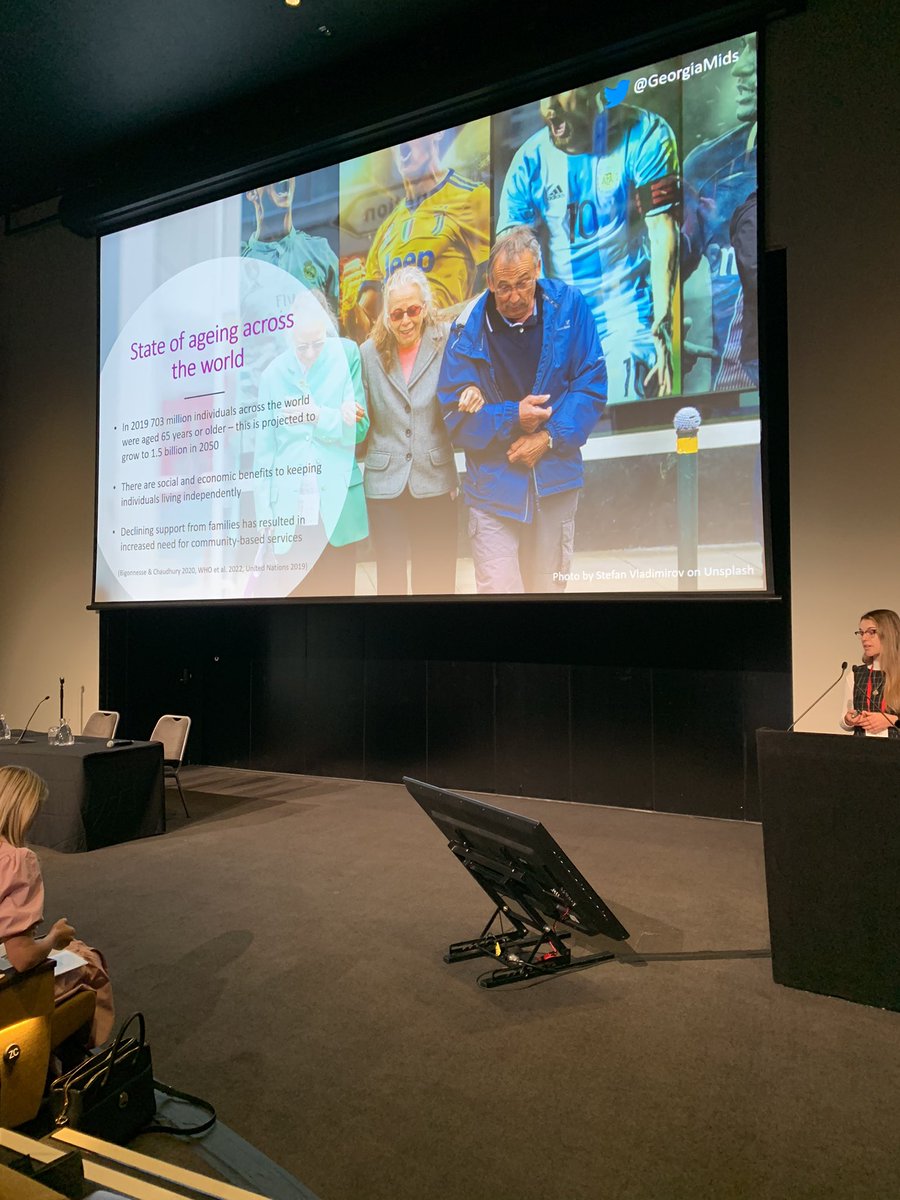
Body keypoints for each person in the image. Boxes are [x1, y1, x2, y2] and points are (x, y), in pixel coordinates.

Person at [437, 225, 607, 593]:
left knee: (548, 598)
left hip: (555, 479)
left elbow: (590, 386)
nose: (514, 297)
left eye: (523, 283)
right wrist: (513, 416)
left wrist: (546, 438)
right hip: (493, 489)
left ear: (539, 271)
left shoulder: (570, 308)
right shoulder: (466, 329)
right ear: (489, 282)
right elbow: (454, 416)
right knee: (501, 597)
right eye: (504, 287)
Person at [497, 86, 678, 402]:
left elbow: (662, 228)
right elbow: (511, 261)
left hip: (629, 316)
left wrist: (663, 320)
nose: (549, 107)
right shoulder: (529, 161)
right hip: (562, 331)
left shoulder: (644, 134)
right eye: (545, 96)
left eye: (560, 93)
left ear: (592, 89)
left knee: (623, 397)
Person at [252, 292, 369, 597]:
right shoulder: (272, 375)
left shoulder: (347, 354)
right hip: (289, 514)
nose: (310, 353)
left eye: (318, 343)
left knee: (342, 607)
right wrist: (265, 517)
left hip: (338, 512)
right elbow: (264, 455)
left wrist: (318, 416)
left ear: (328, 330)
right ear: (289, 338)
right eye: (302, 346)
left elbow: (360, 431)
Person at [359, 267, 458, 594]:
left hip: (434, 477)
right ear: (386, 316)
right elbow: (364, 422)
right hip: (385, 485)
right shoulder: (368, 354)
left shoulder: (447, 340)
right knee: (391, 584)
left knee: (437, 579)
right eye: (397, 313)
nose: (406, 321)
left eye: (413, 310)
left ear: (425, 307)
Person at [0, 765, 114, 1048]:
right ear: (23, 812)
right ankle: (61, 1070)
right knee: (88, 961)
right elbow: (23, 959)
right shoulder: (17, 860)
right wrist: (54, 938)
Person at [341, 130, 490, 340]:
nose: (402, 145)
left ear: (437, 134)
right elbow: (366, 335)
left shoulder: (473, 197)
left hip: (450, 353)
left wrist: (438, 320)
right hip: (401, 367)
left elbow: (496, 291)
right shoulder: (386, 228)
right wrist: (350, 308)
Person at [682, 34, 759, 391]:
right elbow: (667, 270)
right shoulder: (705, 165)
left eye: (755, 49)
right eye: (741, 48)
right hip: (728, 395)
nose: (740, 67)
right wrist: (664, 344)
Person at [841, 609, 900, 738]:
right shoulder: (855, 674)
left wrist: (892, 720)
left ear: (890, 634)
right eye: (861, 633)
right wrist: (849, 720)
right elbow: (844, 723)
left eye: (871, 632)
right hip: (862, 753)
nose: (864, 638)